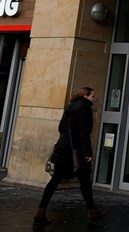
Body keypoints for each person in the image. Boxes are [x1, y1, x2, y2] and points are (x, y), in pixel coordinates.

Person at [34, 86, 104, 223]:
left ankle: (40, 212)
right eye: (92, 96)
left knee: (54, 181)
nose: (94, 99)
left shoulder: (70, 108)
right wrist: (88, 153)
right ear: (85, 96)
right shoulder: (85, 111)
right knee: (85, 182)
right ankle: (92, 211)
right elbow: (84, 134)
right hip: (75, 152)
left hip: (62, 148)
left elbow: (60, 128)